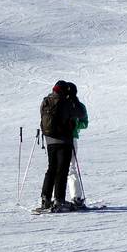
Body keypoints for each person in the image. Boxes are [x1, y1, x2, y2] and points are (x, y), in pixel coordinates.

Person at [37, 80, 88, 213]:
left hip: (49, 140)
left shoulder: (46, 101)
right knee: (62, 170)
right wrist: (74, 99)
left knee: (51, 169)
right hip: (64, 140)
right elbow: (81, 114)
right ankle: (59, 200)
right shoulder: (66, 102)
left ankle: (45, 199)